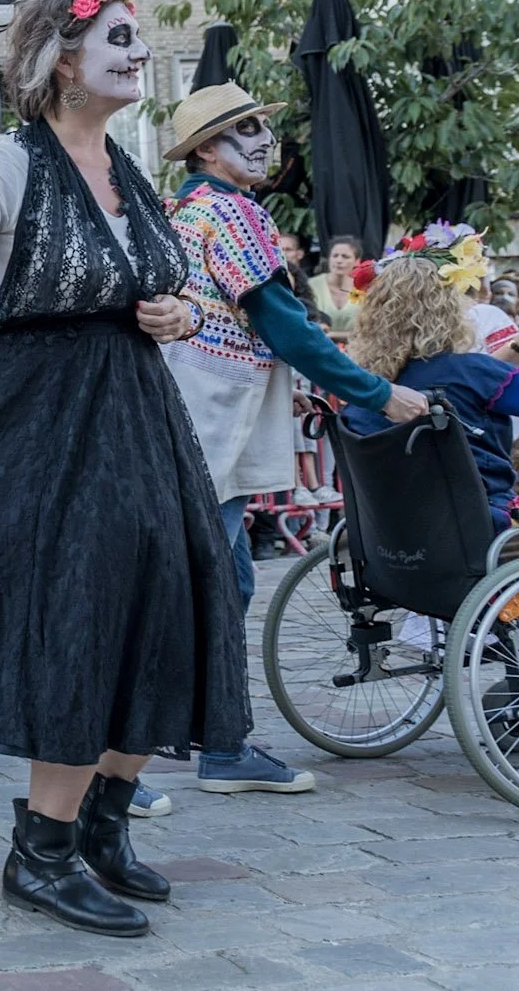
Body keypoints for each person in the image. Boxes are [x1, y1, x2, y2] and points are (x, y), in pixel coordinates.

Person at [0, 0, 252, 937]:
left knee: (174, 600)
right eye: (119, 37)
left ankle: (102, 823)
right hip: (45, 424)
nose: (137, 52)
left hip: (135, 418)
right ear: (60, 60)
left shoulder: (122, 162)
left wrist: (168, 311)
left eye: (137, 37)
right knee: (83, 614)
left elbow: (146, 285)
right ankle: (39, 853)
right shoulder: (9, 157)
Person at [161, 83, 427, 803]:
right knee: (221, 583)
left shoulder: (184, 209)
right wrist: (376, 390)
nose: (260, 139)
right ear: (207, 148)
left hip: (187, 407)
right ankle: (217, 744)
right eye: (243, 128)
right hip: (209, 413)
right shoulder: (233, 210)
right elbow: (283, 323)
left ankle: (191, 726)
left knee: (214, 578)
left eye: (259, 127)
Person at [342, 246, 517, 533]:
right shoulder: (474, 373)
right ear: (449, 310)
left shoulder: (364, 390)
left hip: (391, 533)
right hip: (478, 523)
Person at [307, 236, 363, 338]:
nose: (339, 260)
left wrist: (333, 335)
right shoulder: (311, 285)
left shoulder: (362, 288)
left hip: (356, 349)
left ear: (357, 261)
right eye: (335, 255)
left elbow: (368, 330)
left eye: (345, 256)